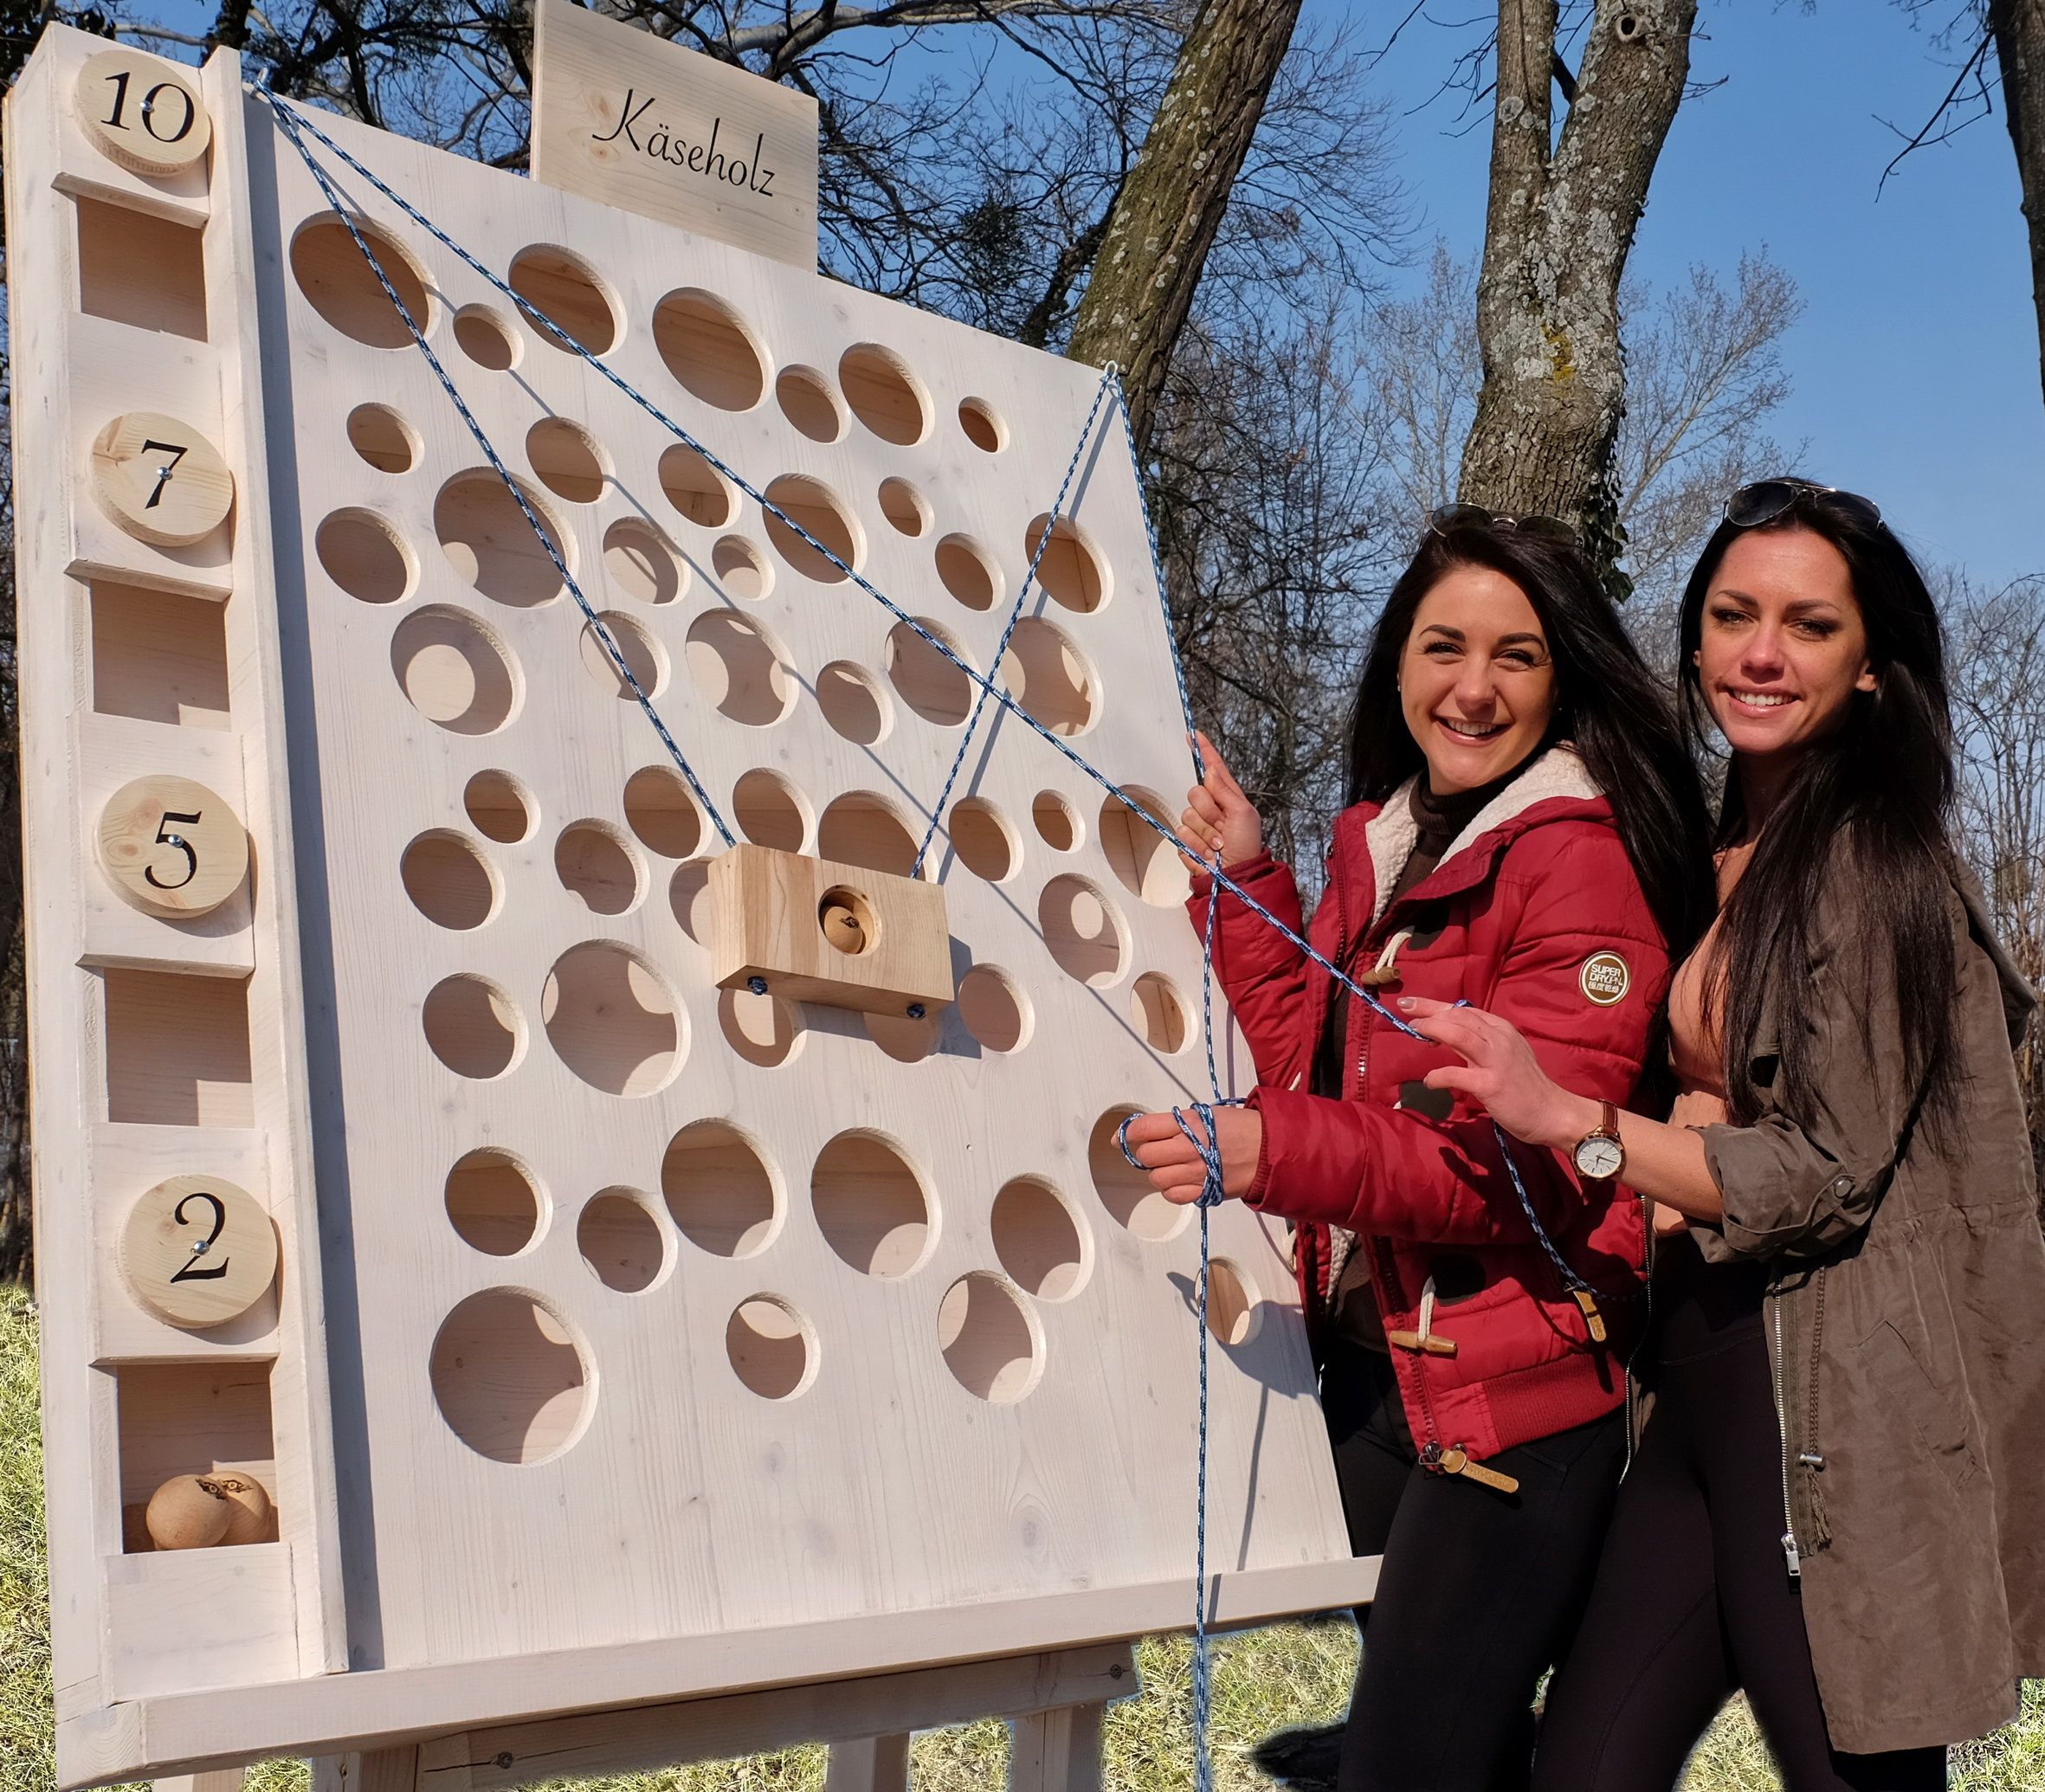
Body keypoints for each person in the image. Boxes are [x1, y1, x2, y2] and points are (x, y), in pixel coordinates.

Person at [1400, 480, 2045, 1790]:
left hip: (1816, 1391)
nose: (1761, 653)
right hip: (1696, 1380)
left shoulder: (1872, 867)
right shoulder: (1720, 844)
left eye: (1810, 625)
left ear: (1872, 665)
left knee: (1856, 1769)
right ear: (1692, 642)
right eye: (1733, 616)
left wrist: (1571, 1119)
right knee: (1585, 1767)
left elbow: (1821, 1170)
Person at [1123, 506, 1715, 1791]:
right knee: (1453, 1748)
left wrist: (1265, 1148)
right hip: (1379, 1368)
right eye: (1444, 646)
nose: (1473, 687)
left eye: (1516, 655)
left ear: (1560, 681)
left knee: (1405, 1764)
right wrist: (1250, 886)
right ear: (1397, 661)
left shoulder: (1582, 863)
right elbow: (1319, 1058)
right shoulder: (1386, 838)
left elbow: (1502, 1166)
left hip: (1513, 1402)